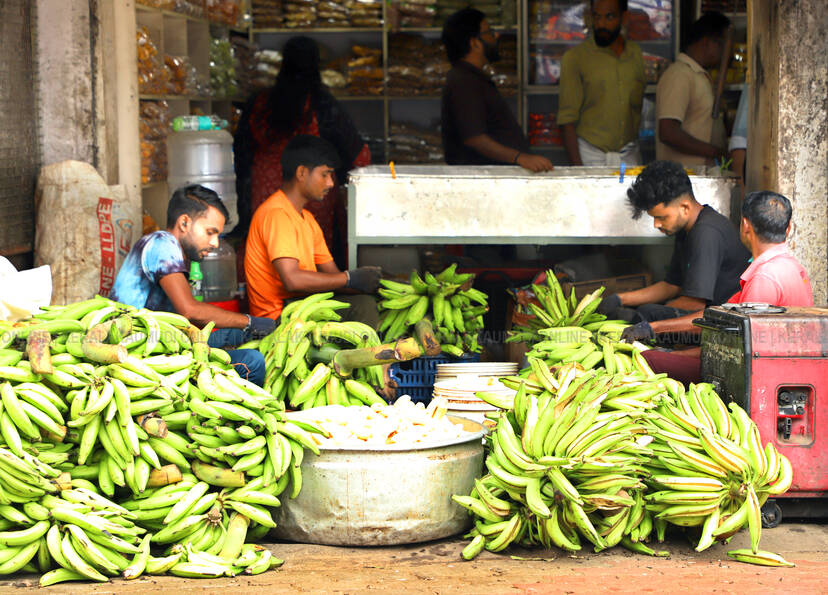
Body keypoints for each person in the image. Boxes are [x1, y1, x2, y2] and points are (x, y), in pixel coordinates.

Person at [629, 190, 813, 384]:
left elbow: (736, 351)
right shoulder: (793, 267)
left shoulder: (763, 279)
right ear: (789, 228)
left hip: (760, 373)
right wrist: (653, 328)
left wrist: (674, 354)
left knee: (649, 360)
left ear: (745, 226)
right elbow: (715, 317)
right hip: (781, 363)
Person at [110, 185, 275, 385]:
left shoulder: (174, 254)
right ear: (184, 223)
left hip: (168, 341)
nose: (215, 243)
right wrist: (251, 321)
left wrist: (249, 326)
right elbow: (190, 311)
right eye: (210, 232)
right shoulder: (163, 244)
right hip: (143, 355)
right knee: (253, 362)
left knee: (237, 333)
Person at [233, 36, 371, 268]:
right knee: (312, 258)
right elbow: (356, 155)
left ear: (283, 64)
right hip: (312, 197)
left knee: (270, 254)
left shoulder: (259, 103)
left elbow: (241, 155)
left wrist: (245, 202)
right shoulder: (322, 104)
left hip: (265, 194)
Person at [244, 135, 382, 326]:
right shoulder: (277, 214)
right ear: (301, 173)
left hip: (303, 305)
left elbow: (334, 277)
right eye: (324, 174)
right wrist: (349, 279)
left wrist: (374, 284)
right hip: (277, 316)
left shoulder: (307, 220)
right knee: (363, 306)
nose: (331, 183)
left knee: (374, 302)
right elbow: (292, 280)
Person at [597, 160, 750, 325]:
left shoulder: (707, 233)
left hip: (723, 323)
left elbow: (694, 303)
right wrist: (620, 299)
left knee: (647, 313)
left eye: (661, 217)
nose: (656, 224)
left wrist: (647, 314)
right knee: (643, 312)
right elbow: (671, 285)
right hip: (702, 312)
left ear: (684, 207)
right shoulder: (686, 228)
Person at [441, 8, 554, 172]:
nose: (496, 36)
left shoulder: (473, 77)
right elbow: (475, 138)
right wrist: (520, 157)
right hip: (481, 181)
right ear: (474, 43)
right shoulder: (463, 81)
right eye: (489, 32)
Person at [558, 0, 646, 166]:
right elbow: (566, 121)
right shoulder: (575, 58)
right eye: (596, 17)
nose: (601, 24)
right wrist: (579, 171)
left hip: (629, 154)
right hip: (590, 156)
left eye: (609, 17)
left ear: (624, 18)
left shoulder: (636, 54)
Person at [656, 11, 730, 167]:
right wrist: (715, 152)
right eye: (721, 44)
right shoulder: (680, 75)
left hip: (701, 178)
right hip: (684, 178)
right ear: (706, 42)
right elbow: (668, 133)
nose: (724, 52)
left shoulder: (698, 75)